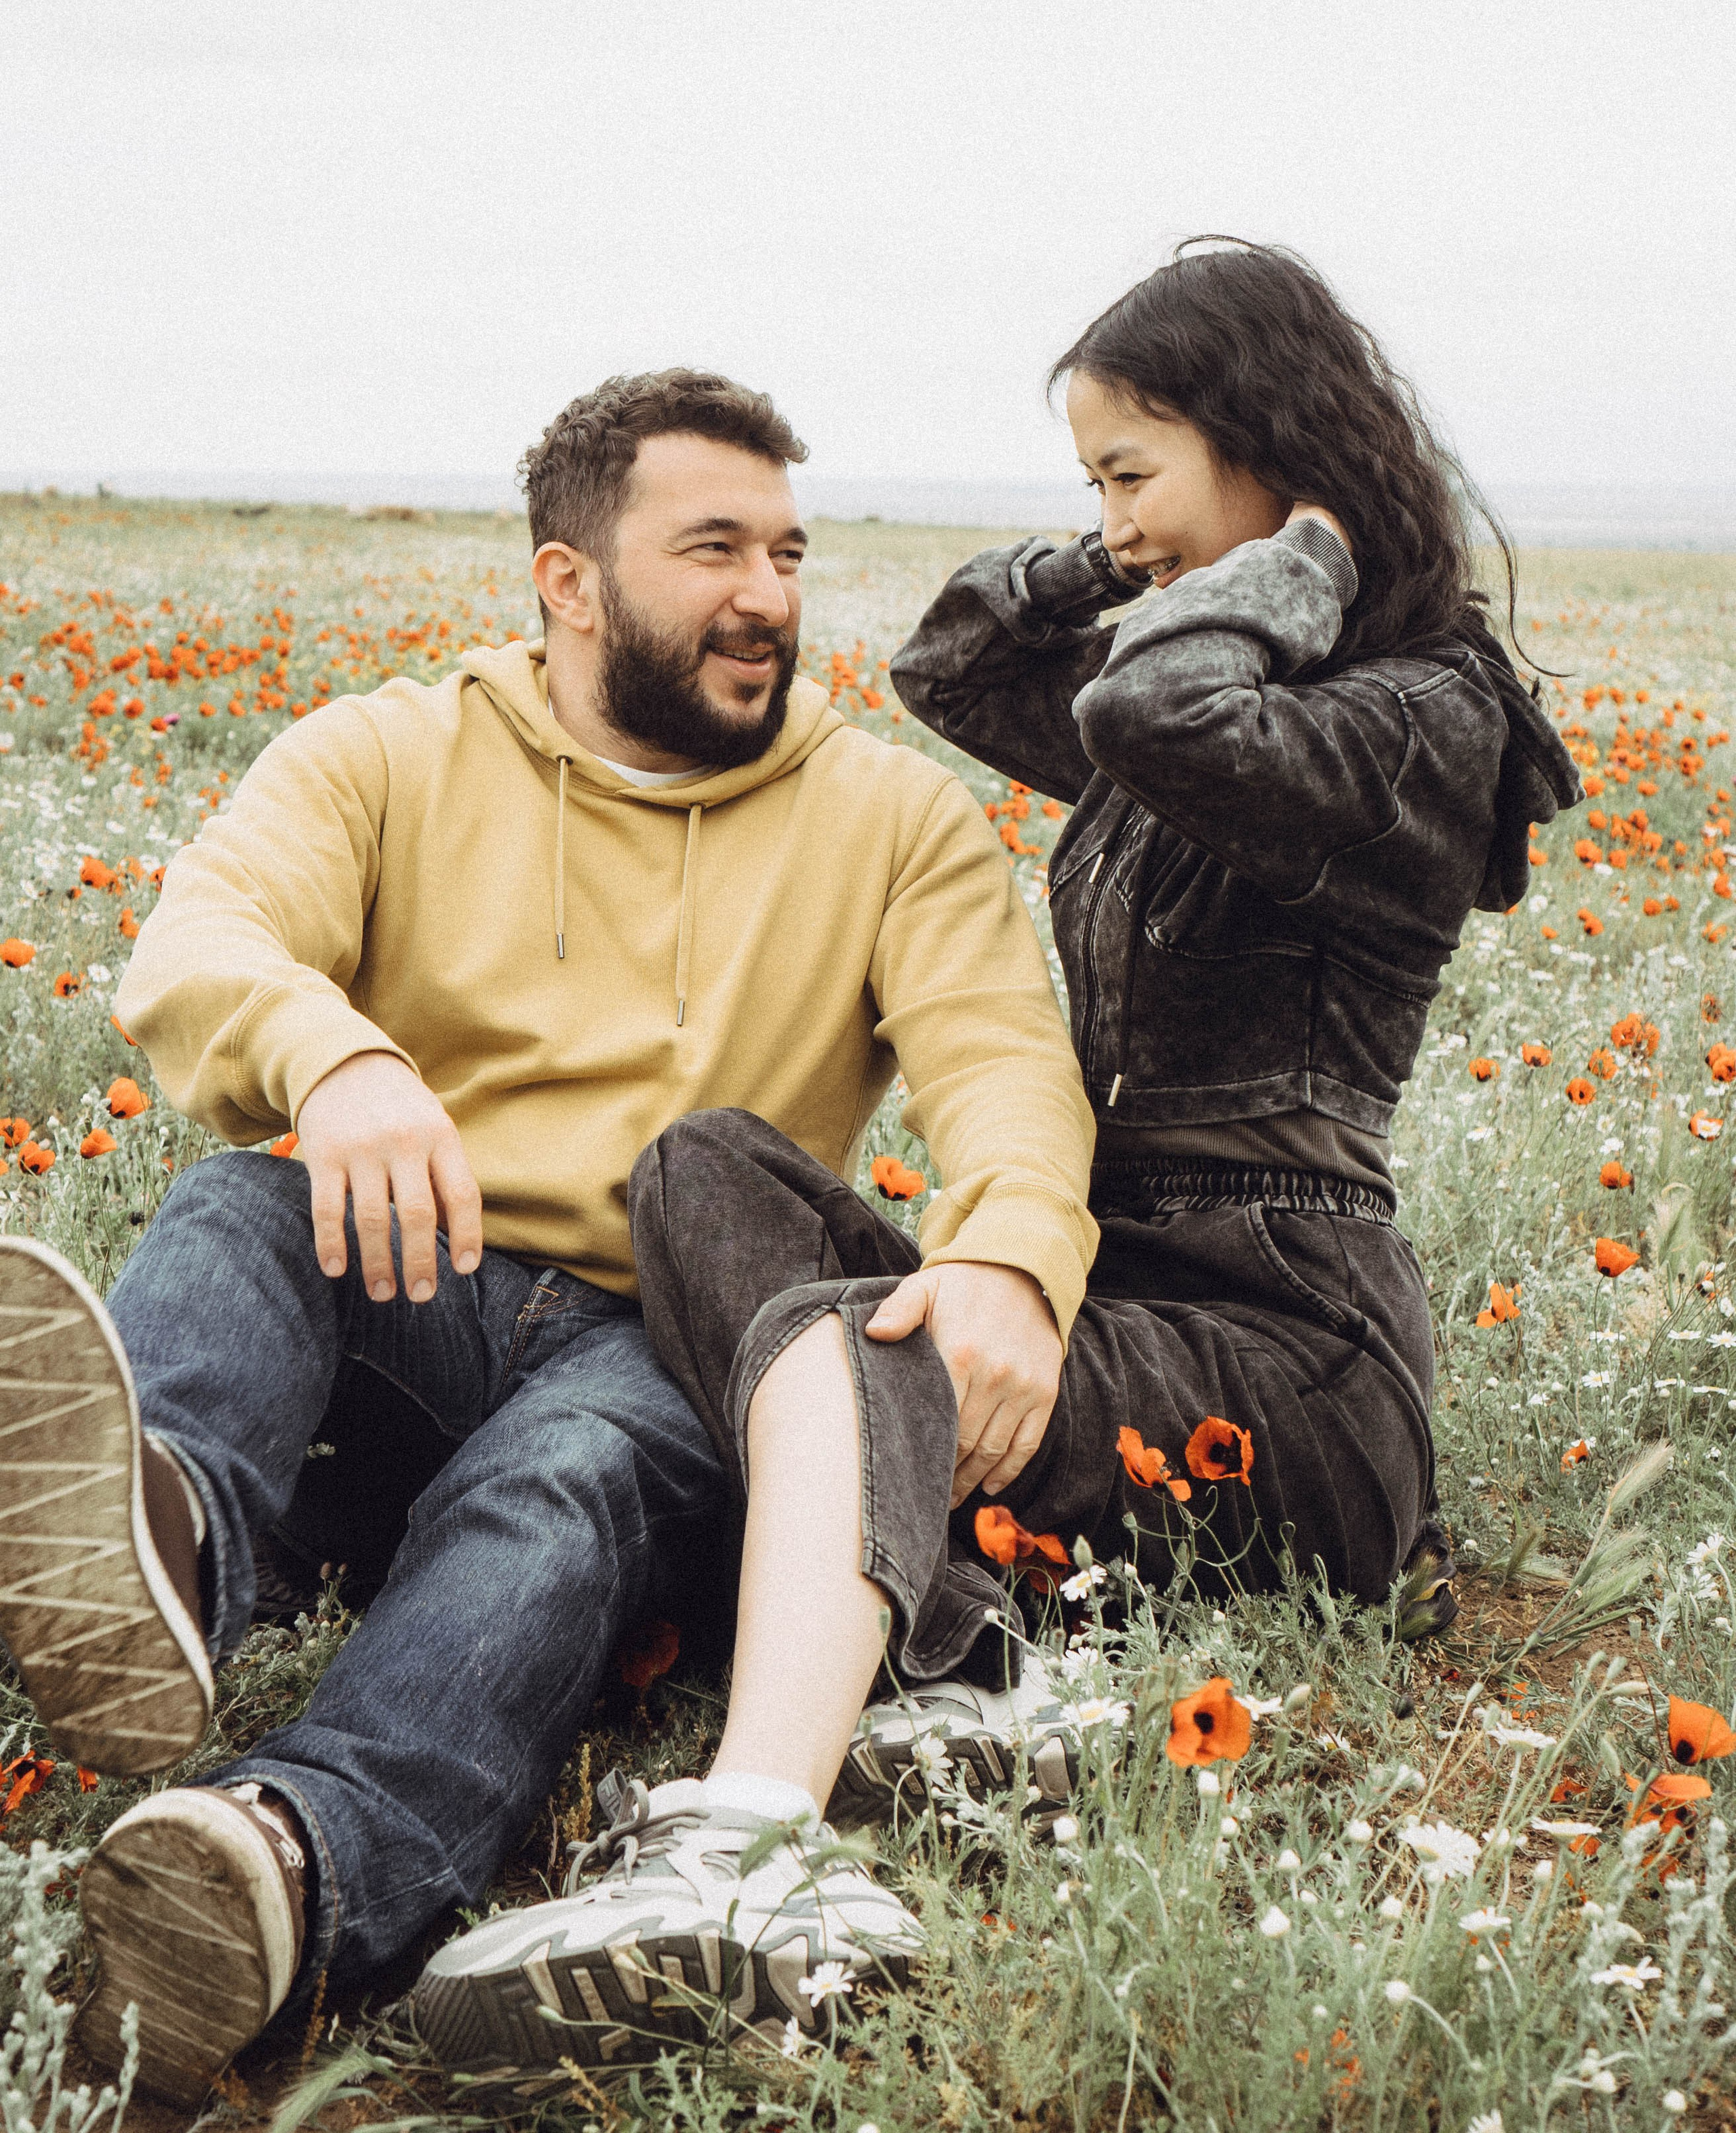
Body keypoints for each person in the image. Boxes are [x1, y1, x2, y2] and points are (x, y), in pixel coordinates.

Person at [413, 244, 1580, 2073]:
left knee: (865, 1346)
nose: (1113, 526)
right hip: (1114, 1303)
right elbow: (955, 659)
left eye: (1132, 476)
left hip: (1288, 1351)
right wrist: (1115, 560)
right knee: (704, 1168)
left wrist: (1297, 566)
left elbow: (1146, 712)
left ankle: (752, 1854)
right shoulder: (1213, 673)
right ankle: (982, 1690)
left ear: (1271, 449)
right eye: (1093, 486)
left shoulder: (1418, 711)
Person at [0, 370, 1097, 2102]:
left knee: (570, 1470)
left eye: (788, 551)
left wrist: (1009, 1256)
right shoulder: (388, 751)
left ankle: (282, 1864)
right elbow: (200, 941)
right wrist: (338, 1056)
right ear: (567, 581)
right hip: (406, 1293)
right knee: (244, 1204)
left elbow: (1007, 1076)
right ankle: (153, 1565)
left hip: (663, 1346)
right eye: (714, 547)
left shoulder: (891, 821)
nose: (767, 595)